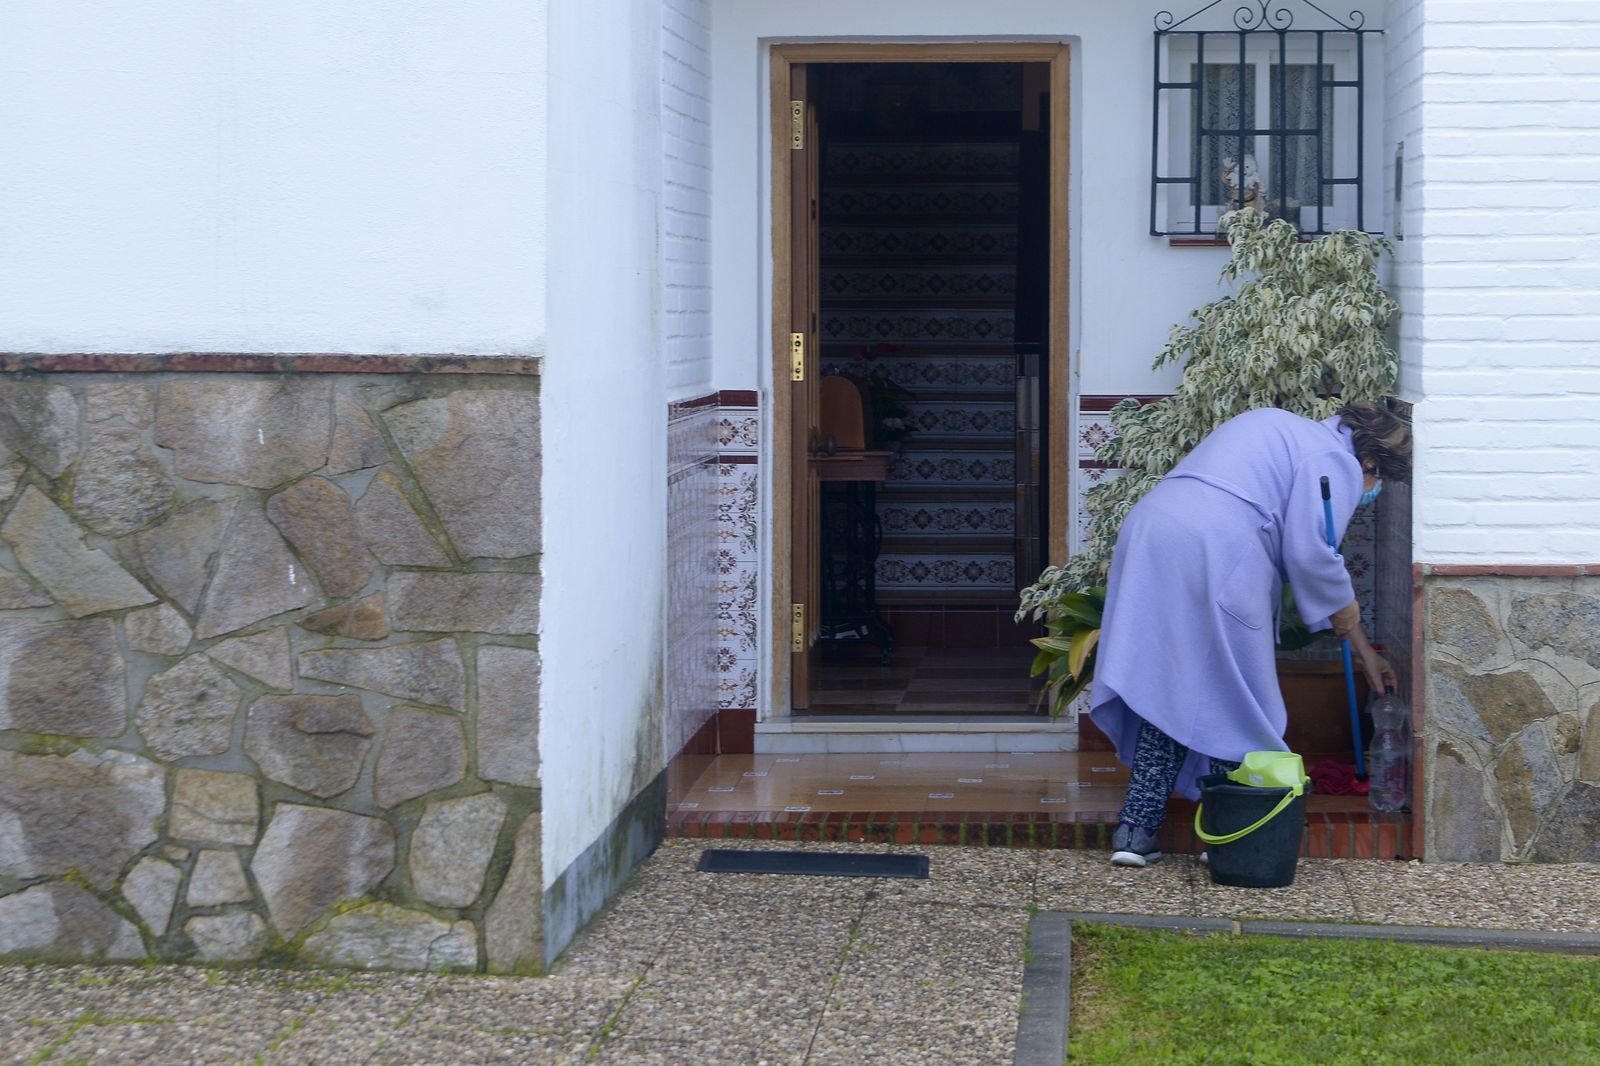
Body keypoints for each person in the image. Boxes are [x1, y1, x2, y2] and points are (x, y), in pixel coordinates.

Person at [1090, 401, 1412, 867]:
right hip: (1219, 549)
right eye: (1377, 480)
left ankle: (1135, 832)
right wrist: (1349, 610)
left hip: (1151, 533)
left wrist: (1363, 650)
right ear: (1370, 462)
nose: (1371, 490)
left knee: (1172, 686)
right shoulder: (1334, 461)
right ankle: (1230, 834)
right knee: (1234, 697)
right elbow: (1312, 555)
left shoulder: (1278, 424)